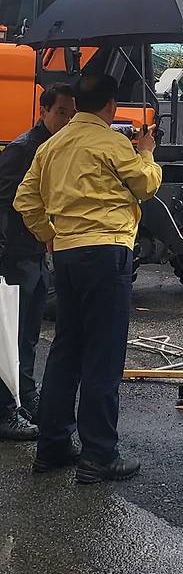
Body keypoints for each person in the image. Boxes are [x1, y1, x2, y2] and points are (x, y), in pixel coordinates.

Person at [14, 73, 162, 483]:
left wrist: (49, 235)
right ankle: (99, 454)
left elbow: (25, 198)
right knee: (103, 354)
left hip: (67, 253)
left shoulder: (52, 145)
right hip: (107, 251)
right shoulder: (112, 142)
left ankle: (53, 445)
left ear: (77, 103)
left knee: (66, 350)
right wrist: (146, 151)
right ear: (111, 106)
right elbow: (146, 185)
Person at [0, 84, 76, 441]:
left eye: (71, 114)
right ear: (43, 110)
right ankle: (5, 412)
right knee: (8, 337)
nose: (66, 120)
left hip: (35, 252)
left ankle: (26, 399)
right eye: (61, 112)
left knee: (29, 334)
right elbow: (3, 205)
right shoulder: (22, 150)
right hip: (14, 256)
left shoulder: (54, 148)